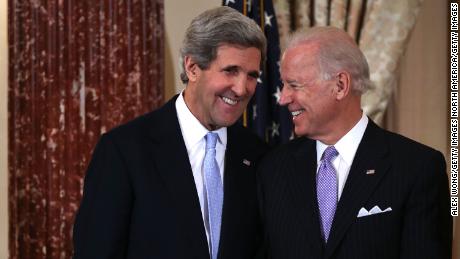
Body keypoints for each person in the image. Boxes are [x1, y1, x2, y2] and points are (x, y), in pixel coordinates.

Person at [73, 6, 267, 259]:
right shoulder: (124, 150)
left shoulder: (258, 154)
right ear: (193, 67)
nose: (242, 89)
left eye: (251, 76)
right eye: (230, 71)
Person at [257, 26, 452, 259]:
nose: (284, 98)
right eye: (284, 85)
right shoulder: (273, 169)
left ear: (340, 85)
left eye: (294, 85)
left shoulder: (417, 168)